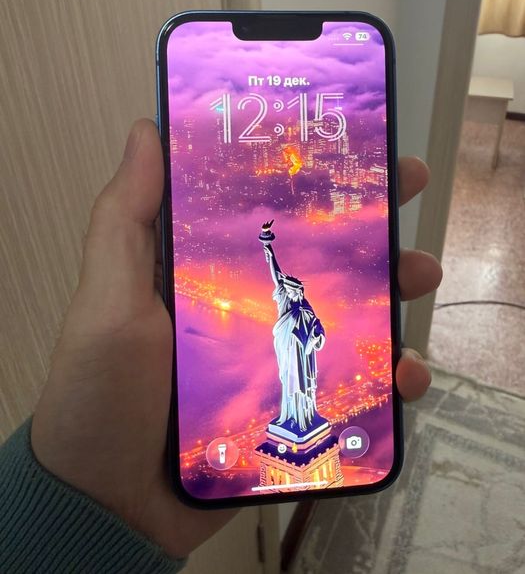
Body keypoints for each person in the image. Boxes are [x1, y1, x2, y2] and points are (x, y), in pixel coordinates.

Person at [0, 119, 442, 573]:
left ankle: (300, 419)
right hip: (286, 346)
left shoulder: (305, 307)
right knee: (293, 389)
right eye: (290, 287)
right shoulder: (285, 298)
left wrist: (313, 332)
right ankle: (294, 420)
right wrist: (267, 245)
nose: (291, 288)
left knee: (305, 390)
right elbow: (275, 275)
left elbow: (320, 335)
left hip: (300, 350)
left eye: (295, 287)